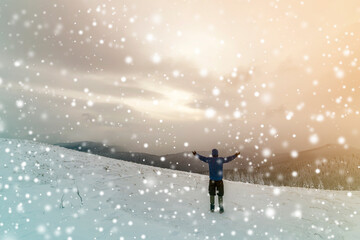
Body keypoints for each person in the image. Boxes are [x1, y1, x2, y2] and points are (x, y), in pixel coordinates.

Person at [192, 149, 240, 213]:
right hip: (219, 180)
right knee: (220, 194)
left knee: (212, 194)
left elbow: (202, 158)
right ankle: (221, 209)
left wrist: (196, 154)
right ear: (217, 154)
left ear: (212, 154)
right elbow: (229, 158)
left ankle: (212, 208)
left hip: (212, 180)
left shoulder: (209, 160)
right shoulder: (221, 159)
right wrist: (235, 155)